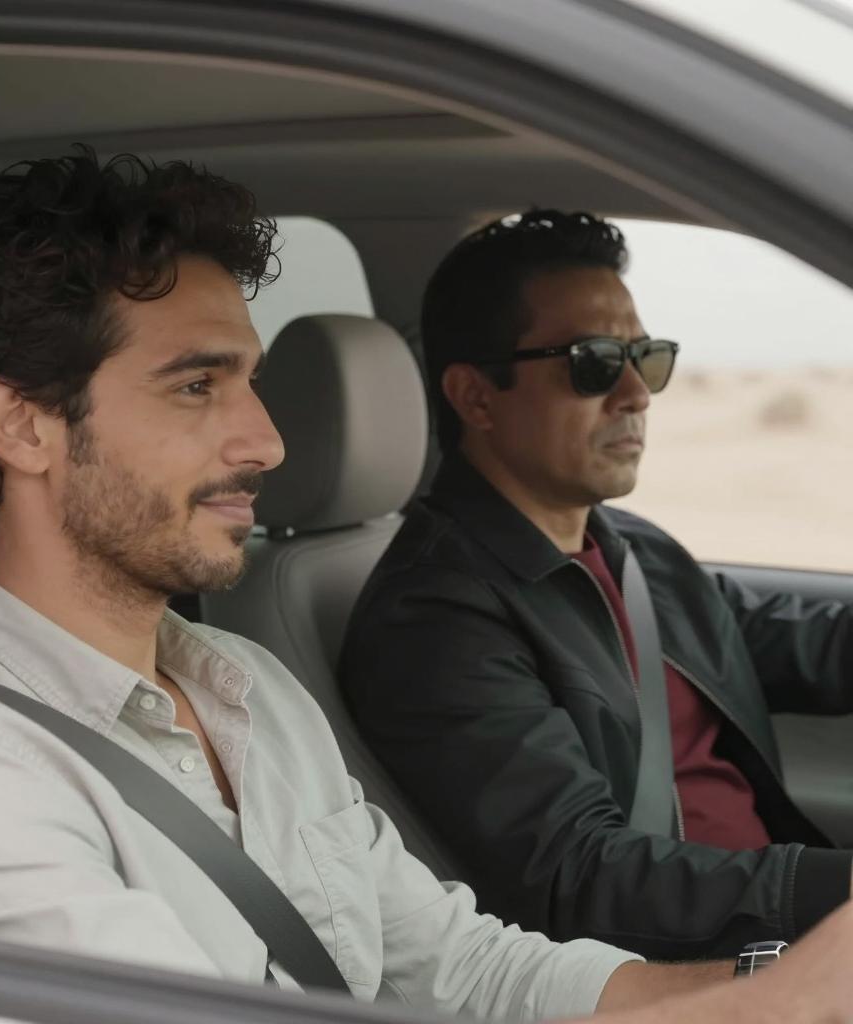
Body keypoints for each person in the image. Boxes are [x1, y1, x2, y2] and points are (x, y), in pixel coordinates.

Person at [0, 153, 849, 1024]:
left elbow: (467, 969)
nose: (267, 440)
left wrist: (771, 989)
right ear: (23, 427)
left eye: (252, 382)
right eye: (196, 385)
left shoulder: (246, 686)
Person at [341, 209, 853, 964]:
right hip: (689, 976)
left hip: (775, 942)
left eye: (646, 358)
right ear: (476, 397)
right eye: (594, 362)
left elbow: (808, 643)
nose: (636, 393)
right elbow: (579, 876)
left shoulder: (635, 550)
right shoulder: (435, 617)